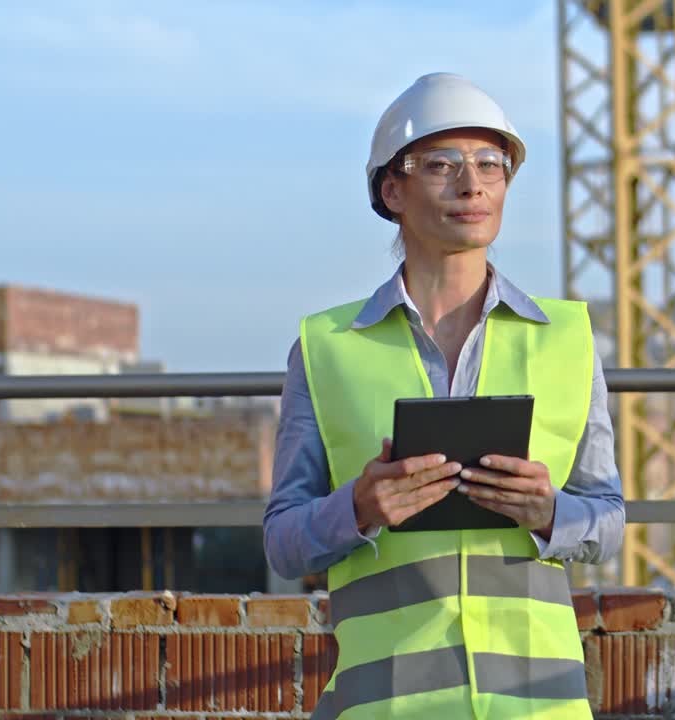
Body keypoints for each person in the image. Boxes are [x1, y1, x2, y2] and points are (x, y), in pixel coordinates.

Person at [263, 72, 624, 720]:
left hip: (536, 708)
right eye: (443, 164)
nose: (473, 183)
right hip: (385, 707)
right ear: (391, 188)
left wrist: (548, 512)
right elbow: (284, 543)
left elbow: (608, 521)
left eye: (492, 164)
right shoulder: (327, 347)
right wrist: (359, 507)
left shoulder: (568, 342)